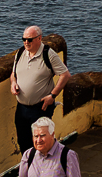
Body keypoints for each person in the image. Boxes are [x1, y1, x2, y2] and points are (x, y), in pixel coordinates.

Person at [10, 26, 70, 154]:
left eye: (30, 39)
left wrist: (52, 96)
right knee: (23, 142)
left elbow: (65, 75)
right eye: (24, 39)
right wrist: (13, 83)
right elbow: (13, 73)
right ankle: (30, 169)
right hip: (21, 108)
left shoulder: (48, 54)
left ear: (39, 38)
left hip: (40, 108)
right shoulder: (20, 53)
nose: (26, 42)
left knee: (42, 143)